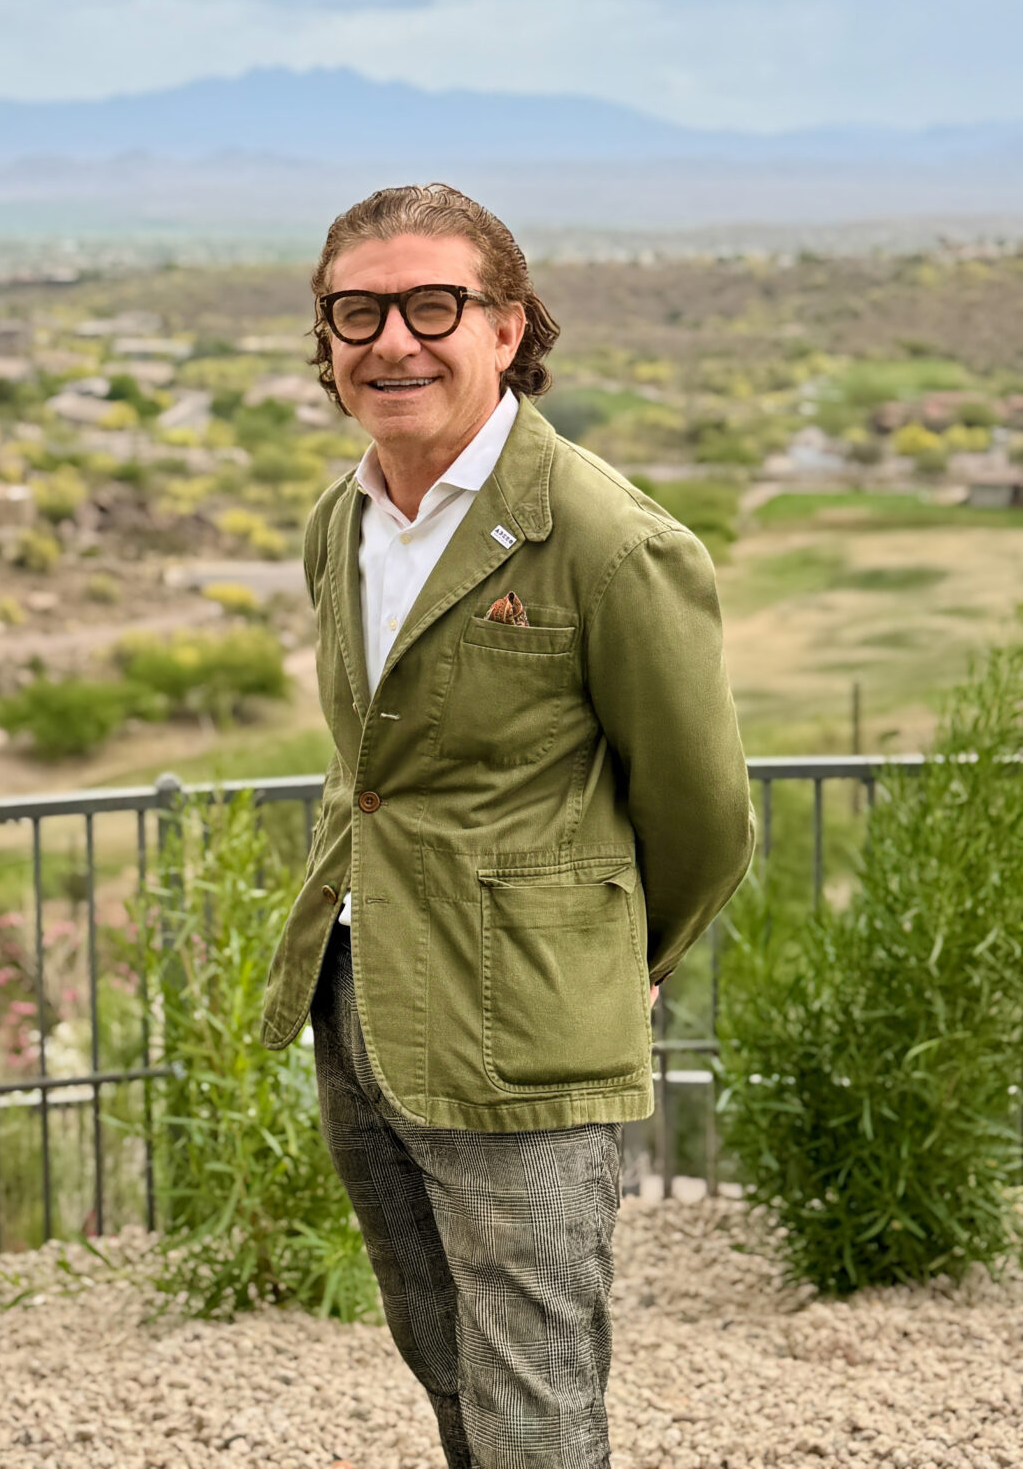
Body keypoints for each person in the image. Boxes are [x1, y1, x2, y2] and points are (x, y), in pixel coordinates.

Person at [261, 183, 754, 1469]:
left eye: (434, 305)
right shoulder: (342, 524)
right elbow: (371, 771)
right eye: (357, 312)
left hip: (529, 1017)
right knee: (442, 1359)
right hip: (362, 995)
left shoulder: (609, 541)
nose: (393, 340)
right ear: (326, 337)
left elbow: (704, 814)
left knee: (534, 1399)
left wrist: (616, 962)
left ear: (508, 326)